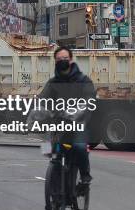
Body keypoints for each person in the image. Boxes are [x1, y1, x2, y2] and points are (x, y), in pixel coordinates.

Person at [39, 46, 96, 184]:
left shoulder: (83, 80)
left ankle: (84, 176)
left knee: (79, 147)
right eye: (59, 59)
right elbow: (43, 99)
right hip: (59, 125)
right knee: (48, 148)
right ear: (55, 62)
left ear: (70, 60)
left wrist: (81, 109)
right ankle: (54, 187)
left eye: (65, 58)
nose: (62, 61)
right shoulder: (53, 83)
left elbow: (90, 98)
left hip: (78, 124)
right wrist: (39, 111)